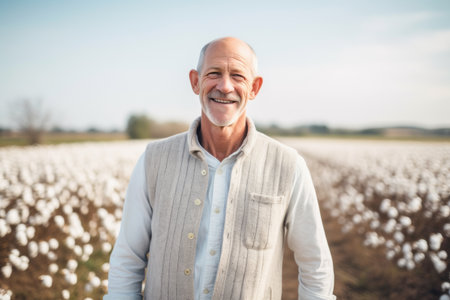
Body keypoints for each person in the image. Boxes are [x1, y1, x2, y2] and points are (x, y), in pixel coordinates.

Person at [104, 37, 335, 300]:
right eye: (213, 74)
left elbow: (315, 266)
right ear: (195, 81)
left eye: (238, 76)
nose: (225, 86)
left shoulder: (288, 166)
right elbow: (127, 259)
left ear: (254, 88)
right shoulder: (153, 160)